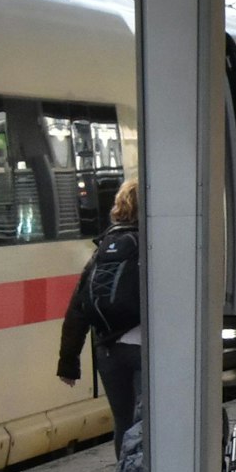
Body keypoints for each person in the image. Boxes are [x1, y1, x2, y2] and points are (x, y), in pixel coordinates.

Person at [57, 180, 142, 456]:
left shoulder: (103, 249)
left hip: (108, 350)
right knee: (146, 422)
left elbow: (77, 308)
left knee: (123, 422)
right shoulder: (150, 246)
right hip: (143, 348)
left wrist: (68, 363)